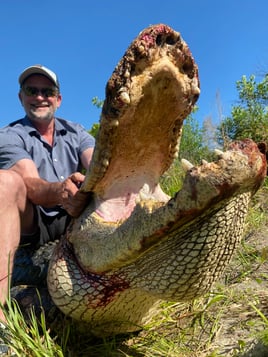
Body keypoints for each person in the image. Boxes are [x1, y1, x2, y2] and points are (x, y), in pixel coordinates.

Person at [0, 65, 95, 323]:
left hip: (74, 218)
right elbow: (30, 184)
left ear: (58, 99)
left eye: (48, 91)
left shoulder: (76, 131)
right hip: (35, 225)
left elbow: (98, 163)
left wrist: (94, 179)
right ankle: (1, 317)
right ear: (21, 97)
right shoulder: (9, 136)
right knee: (5, 183)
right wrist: (61, 190)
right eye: (32, 90)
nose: (40, 97)